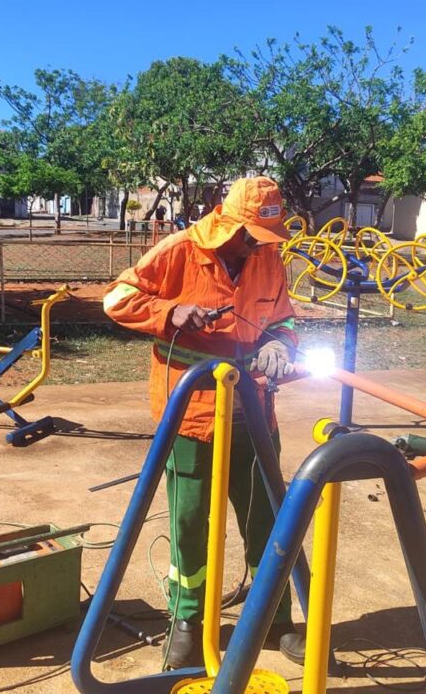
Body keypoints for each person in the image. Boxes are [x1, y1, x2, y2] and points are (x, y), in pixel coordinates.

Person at [102, 176, 305, 668]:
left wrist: (279, 344)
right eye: (250, 235)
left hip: (254, 413)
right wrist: (170, 312)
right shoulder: (179, 250)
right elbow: (115, 299)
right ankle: (188, 620)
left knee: (267, 518)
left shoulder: (268, 257)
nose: (257, 245)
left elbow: (283, 319)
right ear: (228, 222)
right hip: (191, 416)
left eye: (264, 237)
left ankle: (275, 619)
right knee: (190, 523)